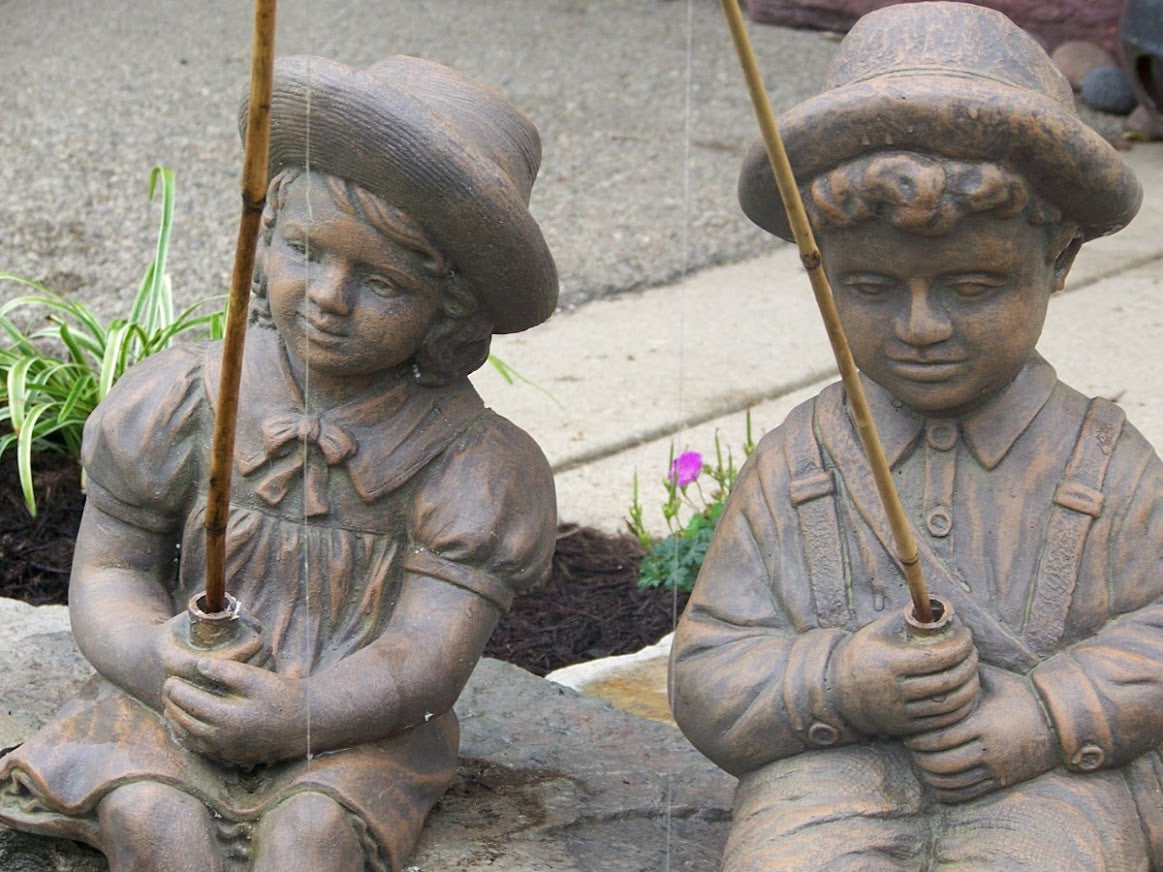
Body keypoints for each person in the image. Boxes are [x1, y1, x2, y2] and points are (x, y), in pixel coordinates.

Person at [0, 55, 558, 872]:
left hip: (355, 726)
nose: (329, 296)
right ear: (262, 245)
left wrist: (302, 714)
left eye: (383, 283)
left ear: (452, 312)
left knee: (311, 840)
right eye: (304, 249)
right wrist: (156, 659)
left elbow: (425, 656)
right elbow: (110, 570)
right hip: (175, 702)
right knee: (153, 821)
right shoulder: (187, 399)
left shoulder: (472, 463)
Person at [669, 3, 1163, 870]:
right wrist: (838, 684)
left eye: (971, 287)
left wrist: (1045, 715)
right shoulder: (799, 463)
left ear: (1057, 261)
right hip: (825, 780)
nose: (920, 327)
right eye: (869, 288)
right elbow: (709, 667)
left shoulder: (1106, 467)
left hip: (1054, 786)